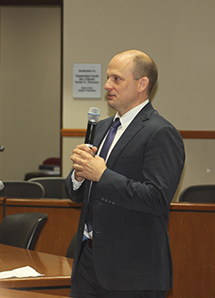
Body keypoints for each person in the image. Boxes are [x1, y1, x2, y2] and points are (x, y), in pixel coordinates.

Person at [65, 49, 185, 298]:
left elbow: (157, 199)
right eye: (107, 78)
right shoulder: (102, 128)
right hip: (88, 262)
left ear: (142, 84)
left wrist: (102, 175)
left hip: (133, 272)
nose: (107, 85)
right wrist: (78, 176)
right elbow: (77, 196)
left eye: (117, 79)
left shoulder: (160, 132)